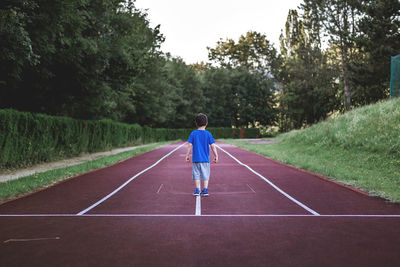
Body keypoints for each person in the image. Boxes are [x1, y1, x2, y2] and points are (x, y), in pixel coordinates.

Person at [185, 113, 218, 196]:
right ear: (206, 123)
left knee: (196, 174)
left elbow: (189, 144)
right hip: (205, 159)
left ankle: (197, 190)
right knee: (205, 174)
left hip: (196, 159)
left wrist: (187, 155)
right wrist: (216, 155)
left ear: (196, 123)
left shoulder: (193, 133)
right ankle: (205, 189)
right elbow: (213, 146)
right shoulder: (208, 134)